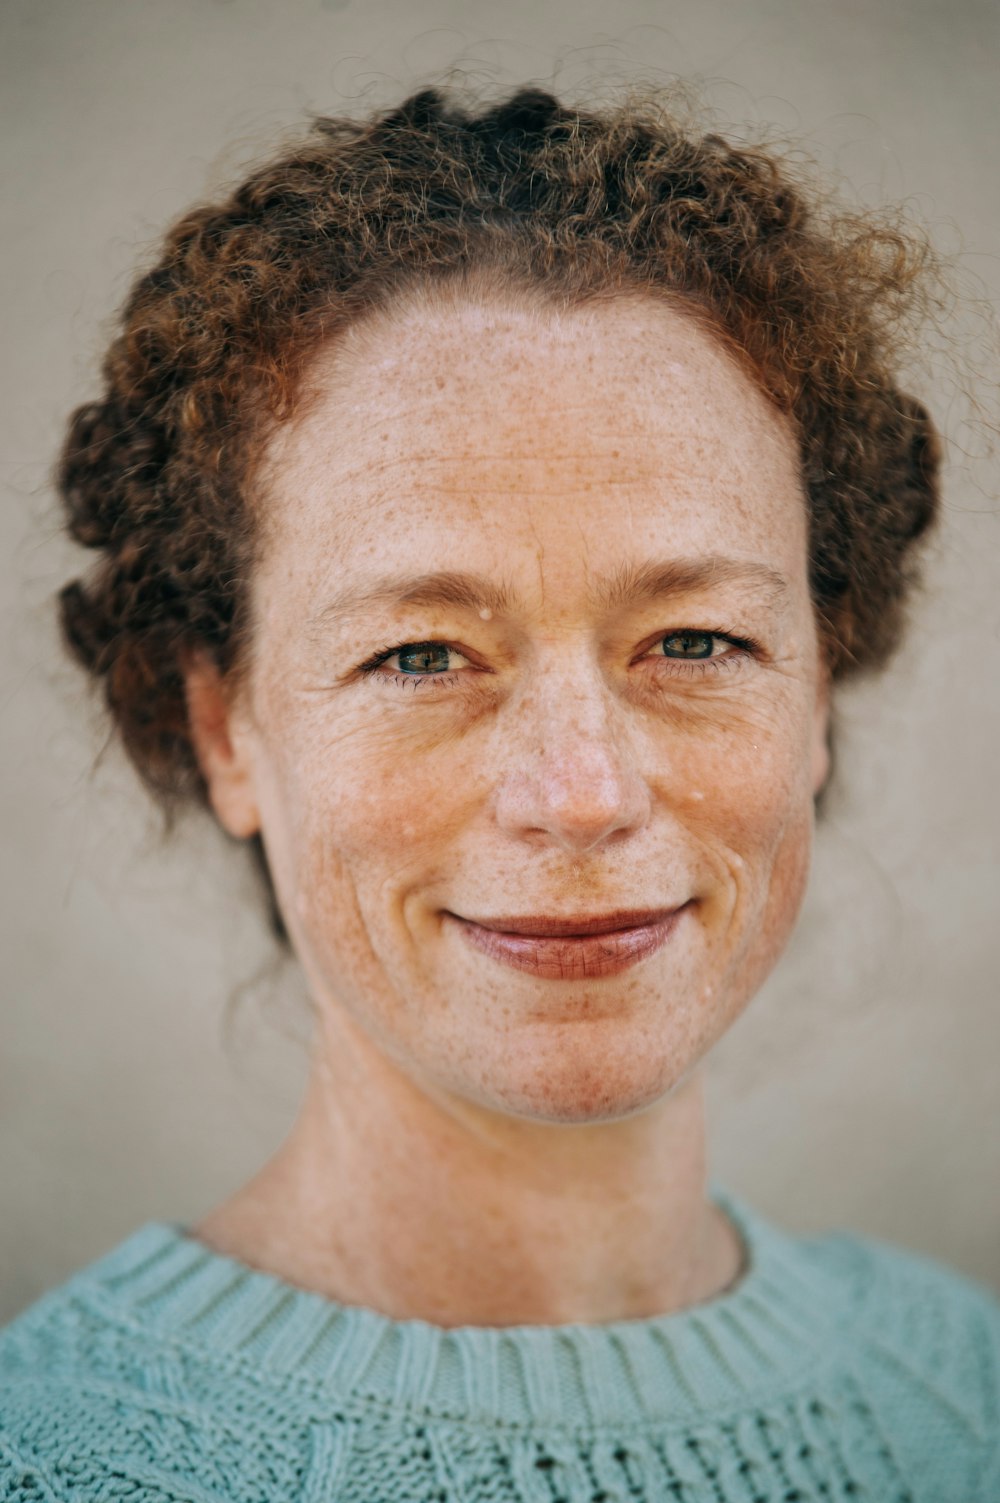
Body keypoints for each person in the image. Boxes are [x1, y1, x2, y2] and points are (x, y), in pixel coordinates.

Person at [1, 80, 997, 1502]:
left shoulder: (964, 1396)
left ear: (823, 686)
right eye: (420, 654)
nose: (581, 794)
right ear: (222, 729)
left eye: (698, 640)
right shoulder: (45, 1465)